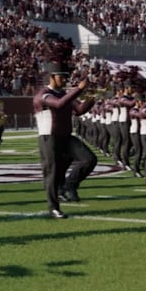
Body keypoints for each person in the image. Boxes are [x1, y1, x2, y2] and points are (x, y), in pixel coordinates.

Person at [33, 41, 97, 218]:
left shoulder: (63, 93)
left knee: (89, 159)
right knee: (52, 172)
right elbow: (59, 105)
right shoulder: (43, 94)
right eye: (62, 77)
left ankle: (70, 185)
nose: (65, 80)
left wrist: (93, 98)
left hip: (66, 137)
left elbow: (80, 110)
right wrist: (78, 89)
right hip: (49, 137)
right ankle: (53, 206)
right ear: (52, 77)